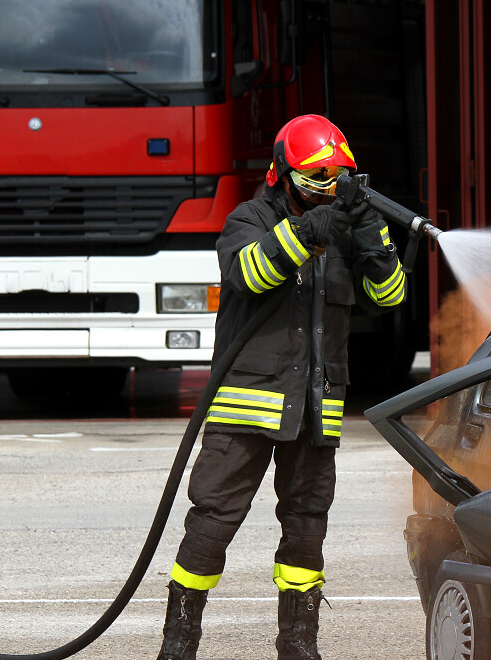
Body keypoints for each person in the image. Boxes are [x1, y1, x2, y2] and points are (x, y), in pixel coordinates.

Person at [157, 114, 406, 660]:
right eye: (315, 181)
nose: (324, 194)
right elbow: (252, 272)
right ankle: (178, 646)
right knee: (211, 525)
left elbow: (389, 299)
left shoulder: (346, 230)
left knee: (306, 530)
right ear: (282, 174)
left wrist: (371, 239)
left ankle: (298, 648)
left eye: (333, 182)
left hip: (316, 412)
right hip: (245, 411)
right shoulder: (245, 221)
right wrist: (319, 228)